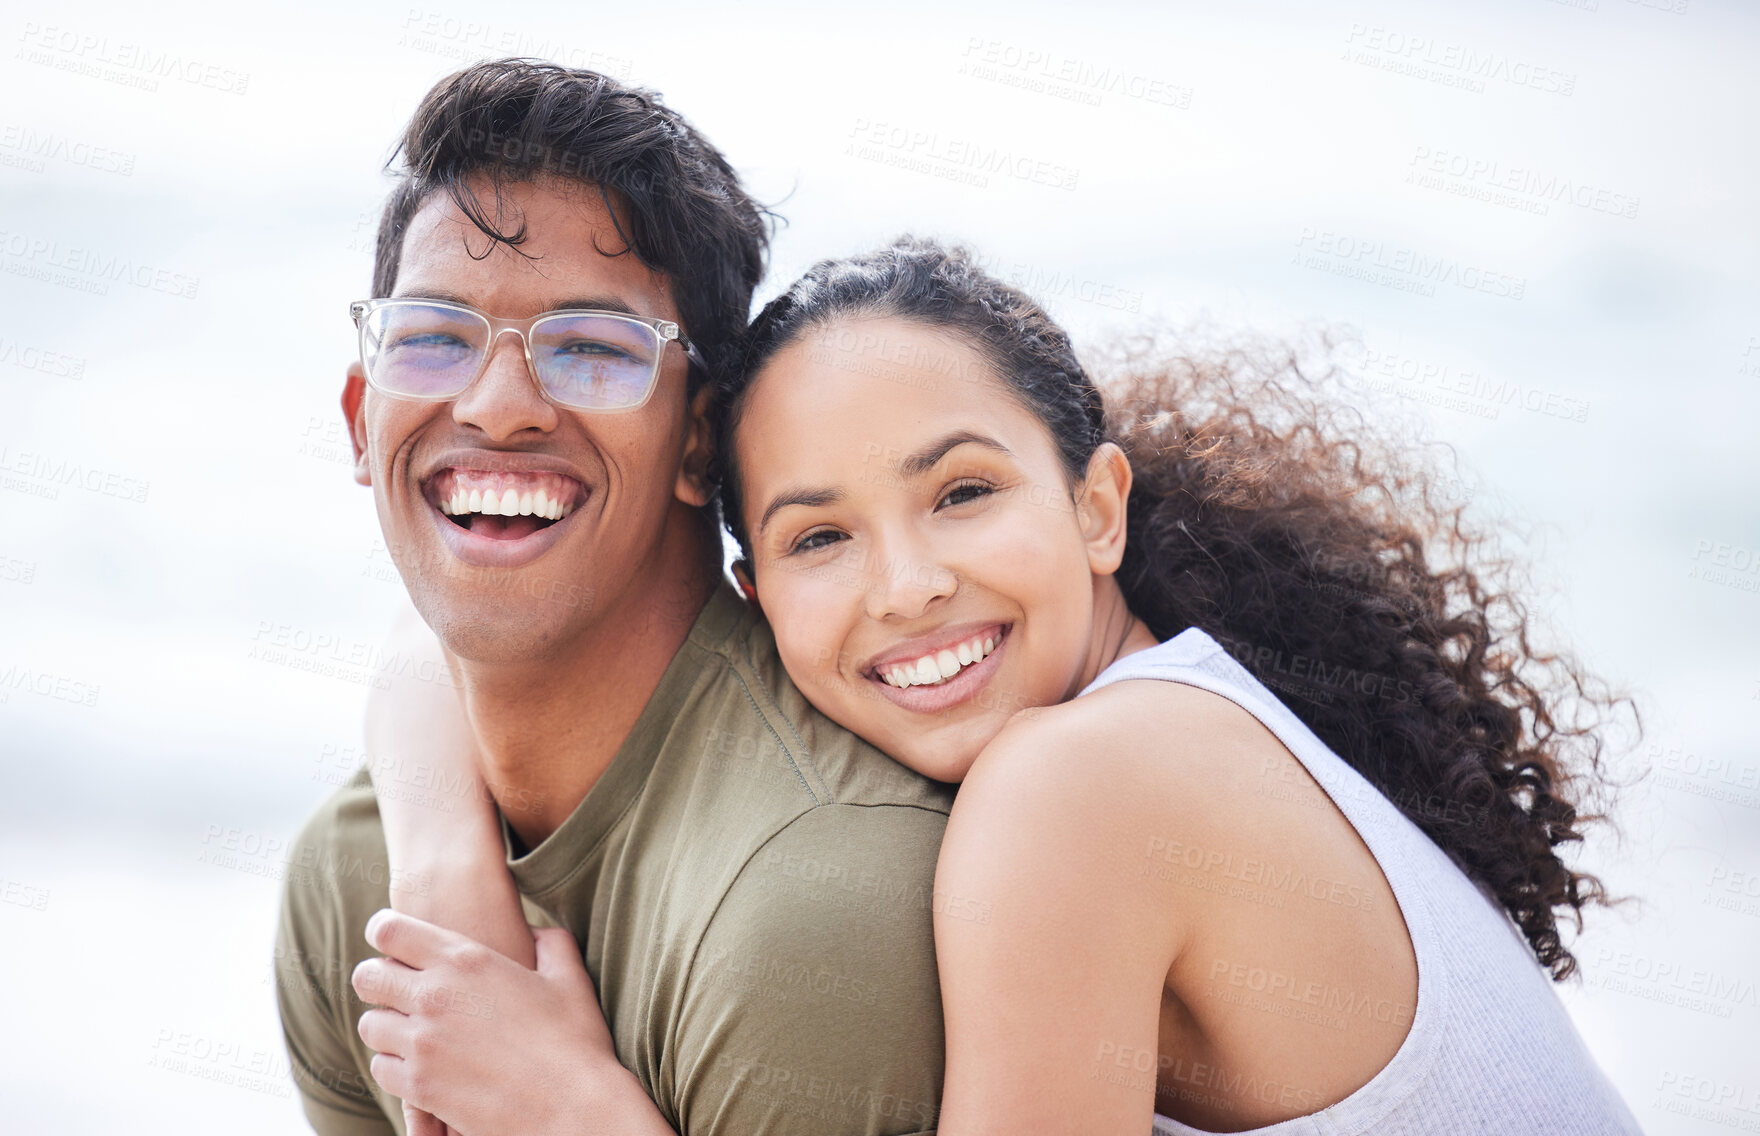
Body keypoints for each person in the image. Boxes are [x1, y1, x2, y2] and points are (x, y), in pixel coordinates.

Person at [358, 238, 1643, 1135]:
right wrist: (442, 864)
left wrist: (570, 1105)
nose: (905, 583)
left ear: (1095, 507)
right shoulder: (1165, 714)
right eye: (819, 536)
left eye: (960, 492)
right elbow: (446, 648)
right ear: (755, 604)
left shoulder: (1071, 785)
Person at [274, 60, 959, 1136]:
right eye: (434, 337)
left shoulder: (812, 900)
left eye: (591, 349)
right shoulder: (356, 872)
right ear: (363, 417)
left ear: (699, 436)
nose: (497, 409)